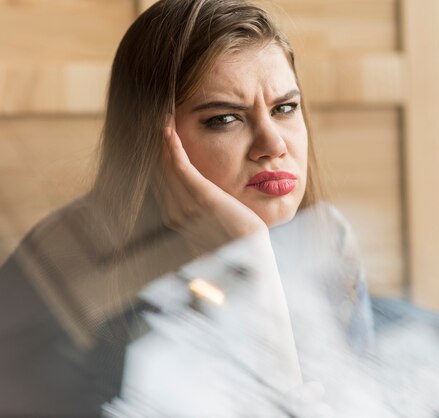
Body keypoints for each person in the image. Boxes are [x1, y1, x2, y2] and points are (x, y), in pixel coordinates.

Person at [0, 0, 373, 415]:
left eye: (284, 108)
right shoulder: (70, 269)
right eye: (224, 119)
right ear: (154, 141)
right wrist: (248, 254)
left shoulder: (327, 238)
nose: (273, 145)